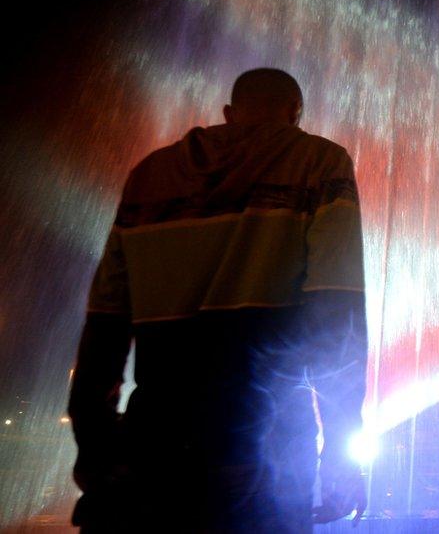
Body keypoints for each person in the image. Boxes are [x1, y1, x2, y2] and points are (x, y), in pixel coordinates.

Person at [67, 68, 368, 532]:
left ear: (229, 113)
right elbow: (336, 317)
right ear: (295, 113)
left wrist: (95, 448)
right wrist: (341, 457)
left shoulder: (149, 176)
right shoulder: (319, 163)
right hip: (268, 446)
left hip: (155, 436)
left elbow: (104, 325)